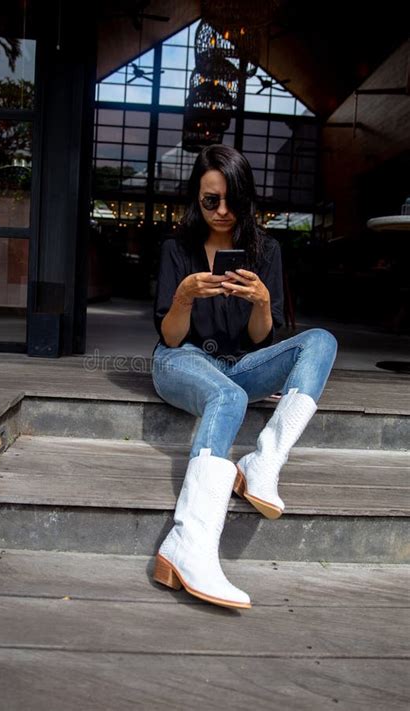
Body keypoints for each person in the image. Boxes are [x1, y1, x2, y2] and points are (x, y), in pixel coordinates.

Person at [151, 144, 337, 610]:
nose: (221, 210)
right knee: (228, 396)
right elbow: (171, 338)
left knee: (321, 342)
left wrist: (261, 303)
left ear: (246, 198)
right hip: (183, 359)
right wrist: (184, 297)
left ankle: (262, 464)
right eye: (210, 200)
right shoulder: (177, 249)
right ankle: (187, 543)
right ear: (196, 198)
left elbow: (260, 338)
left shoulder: (266, 250)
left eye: (231, 199)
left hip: (239, 363)